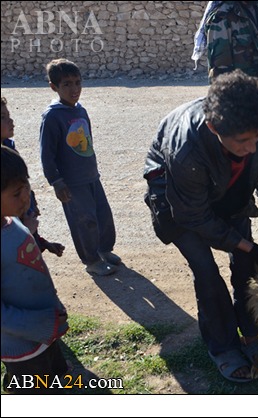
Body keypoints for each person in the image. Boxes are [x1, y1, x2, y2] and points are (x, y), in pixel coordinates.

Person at [143, 69, 258, 383]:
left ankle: (251, 337)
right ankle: (223, 347)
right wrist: (252, 247)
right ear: (214, 128)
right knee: (208, 274)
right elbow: (195, 217)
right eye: (243, 141)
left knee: (247, 269)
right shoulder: (186, 150)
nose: (253, 147)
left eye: (257, 138)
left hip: (229, 189)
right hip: (180, 204)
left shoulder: (256, 125)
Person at [192, 1, 258, 234]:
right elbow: (219, 74)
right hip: (244, 106)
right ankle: (242, 241)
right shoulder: (222, 17)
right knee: (245, 163)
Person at [39, 58, 121, 277]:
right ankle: (92, 260)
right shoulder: (52, 116)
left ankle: (104, 250)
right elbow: (47, 155)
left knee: (103, 217)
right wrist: (56, 181)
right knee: (85, 222)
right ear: (53, 87)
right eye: (66, 84)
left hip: (91, 177)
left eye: (77, 82)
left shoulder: (80, 110)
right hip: (72, 183)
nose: (74, 89)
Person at [1, 145, 70, 394]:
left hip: (44, 335)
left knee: (58, 382)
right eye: (17, 193)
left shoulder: (12, 221)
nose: (26, 197)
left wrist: (44, 243)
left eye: (26, 187)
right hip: (22, 349)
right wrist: (41, 323)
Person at [1, 96, 65, 258]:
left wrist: (39, 240)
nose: (11, 121)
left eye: (8, 115)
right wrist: (27, 232)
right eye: (3, 117)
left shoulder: (9, 147)